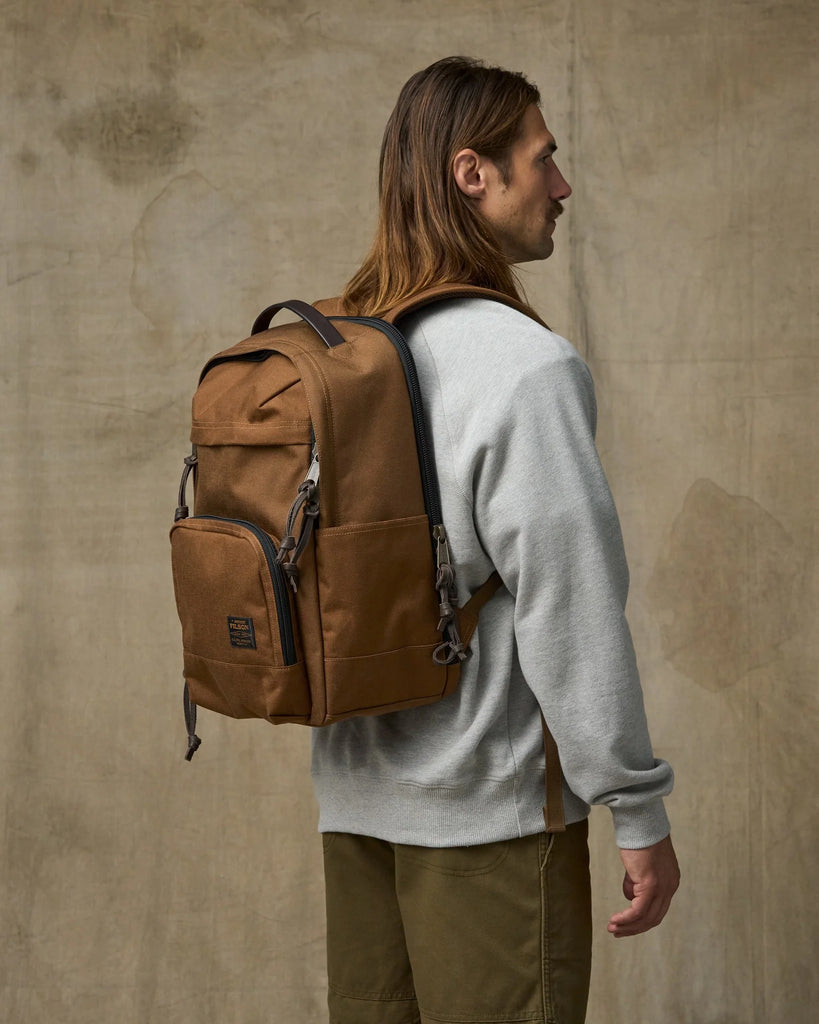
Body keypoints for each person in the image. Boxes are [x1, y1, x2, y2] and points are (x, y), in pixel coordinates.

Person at [311, 56, 680, 1024]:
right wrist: (636, 805)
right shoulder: (522, 364)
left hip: (355, 802)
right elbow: (571, 603)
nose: (561, 186)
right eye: (543, 158)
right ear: (472, 174)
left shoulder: (341, 349)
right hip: (491, 812)